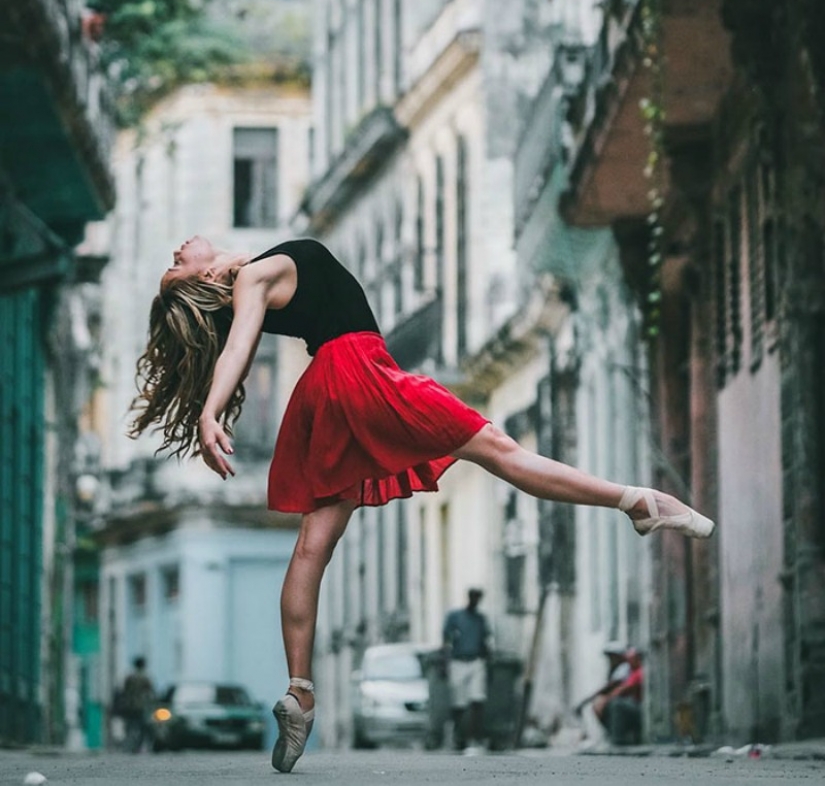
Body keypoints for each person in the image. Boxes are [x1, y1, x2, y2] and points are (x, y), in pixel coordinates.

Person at [129, 236, 715, 773]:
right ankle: (636, 501)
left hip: (327, 389)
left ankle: (300, 692)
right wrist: (210, 411)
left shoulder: (256, 276)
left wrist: (211, 405)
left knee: (313, 545)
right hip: (358, 372)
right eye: (175, 266)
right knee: (500, 450)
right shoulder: (254, 278)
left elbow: (239, 340)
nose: (176, 251)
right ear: (203, 279)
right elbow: (239, 345)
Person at [443, 588, 492, 754]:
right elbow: (446, 640)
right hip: (458, 661)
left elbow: (486, 641)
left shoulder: (480, 620)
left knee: (477, 700)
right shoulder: (456, 617)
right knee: (459, 702)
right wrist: (445, 662)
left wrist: (488, 661)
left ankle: (475, 737)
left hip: (476, 661)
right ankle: (458, 737)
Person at [591, 647, 644, 745]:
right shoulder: (629, 671)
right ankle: (612, 734)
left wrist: (606, 699)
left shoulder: (639, 672)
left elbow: (623, 688)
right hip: (633, 704)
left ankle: (618, 738)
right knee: (612, 705)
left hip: (641, 708)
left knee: (617, 705)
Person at [119, 656, 155, 753]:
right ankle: (138, 746)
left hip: (129, 706)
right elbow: (150, 692)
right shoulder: (145, 677)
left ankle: (129, 745)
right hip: (140, 706)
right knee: (143, 727)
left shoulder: (129, 677)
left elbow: (124, 691)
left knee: (130, 727)